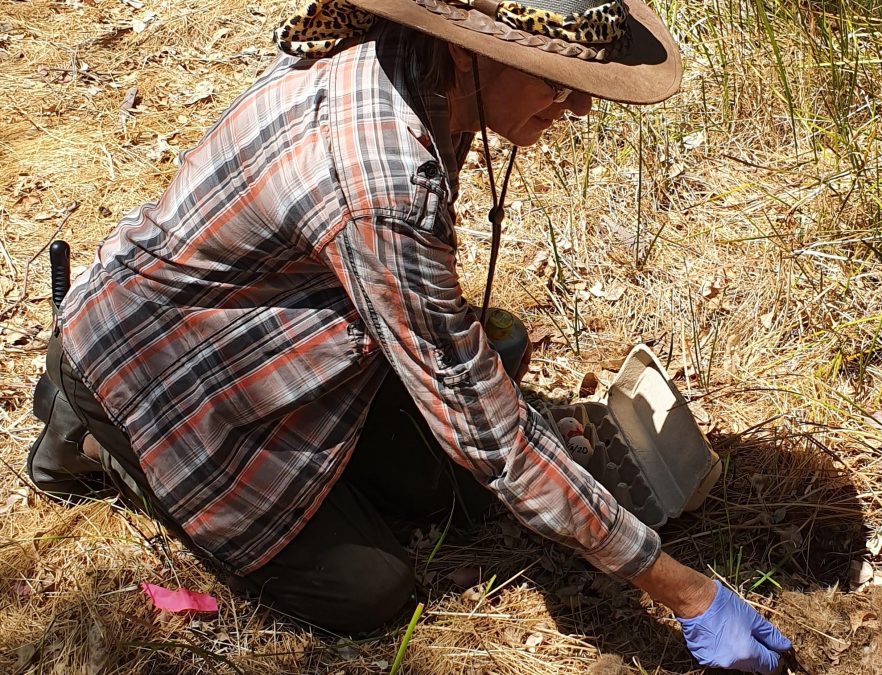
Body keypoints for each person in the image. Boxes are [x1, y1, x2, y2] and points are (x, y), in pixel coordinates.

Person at [25, 0, 792, 671]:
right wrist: (686, 592)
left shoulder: (413, 67)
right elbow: (489, 435)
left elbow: (444, 359)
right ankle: (98, 432)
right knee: (369, 588)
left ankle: (96, 398)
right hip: (164, 372)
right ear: (469, 47)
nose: (578, 108)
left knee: (449, 472)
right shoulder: (382, 175)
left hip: (256, 331)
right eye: (558, 81)